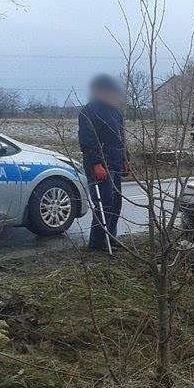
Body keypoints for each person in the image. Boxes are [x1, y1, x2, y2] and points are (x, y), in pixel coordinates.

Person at [78, 74, 127, 253]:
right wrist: (96, 163)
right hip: (99, 164)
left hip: (114, 161)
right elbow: (87, 140)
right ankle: (97, 243)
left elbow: (120, 138)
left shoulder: (115, 112)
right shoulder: (90, 111)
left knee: (115, 204)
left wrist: (124, 159)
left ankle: (111, 237)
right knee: (103, 204)